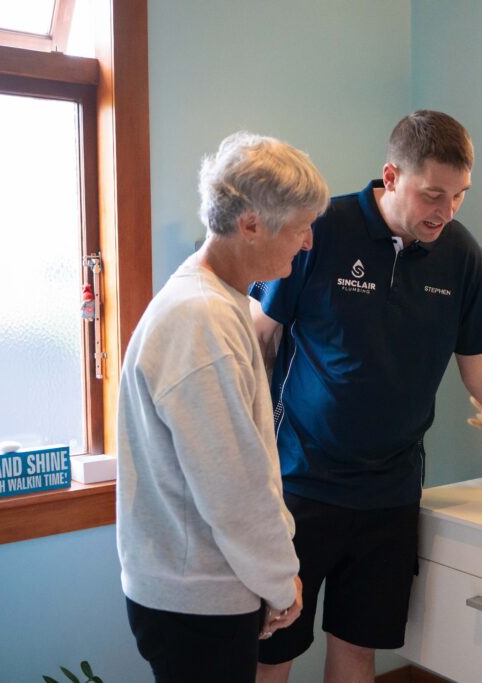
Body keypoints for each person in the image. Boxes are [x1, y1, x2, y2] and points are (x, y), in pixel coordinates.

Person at [250, 110, 482, 683]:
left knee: (357, 648)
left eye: (459, 196)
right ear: (391, 176)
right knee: (274, 652)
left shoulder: (462, 257)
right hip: (300, 484)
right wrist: (246, 468)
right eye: (433, 194)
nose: (445, 211)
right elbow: (257, 340)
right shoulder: (320, 230)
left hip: (390, 495)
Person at [116, 131, 329, 682]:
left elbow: (246, 466)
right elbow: (233, 485)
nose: (308, 244)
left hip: (200, 588)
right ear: (251, 223)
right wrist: (281, 580)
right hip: (197, 600)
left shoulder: (218, 302)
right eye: (301, 227)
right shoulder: (201, 320)